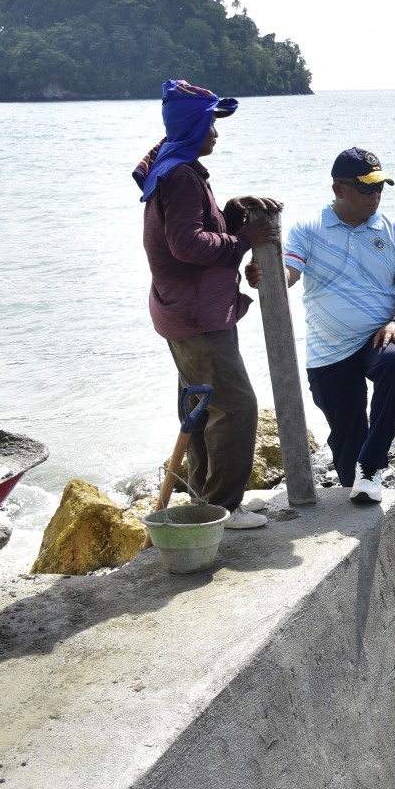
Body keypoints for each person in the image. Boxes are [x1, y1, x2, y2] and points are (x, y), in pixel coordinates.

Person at [136, 80, 279, 529]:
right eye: (210, 124)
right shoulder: (180, 176)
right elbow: (187, 244)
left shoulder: (176, 169)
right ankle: (224, 507)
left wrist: (234, 210)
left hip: (181, 312)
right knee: (235, 407)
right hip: (198, 318)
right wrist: (243, 240)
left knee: (200, 409)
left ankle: (206, 500)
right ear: (194, 126)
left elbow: (195, 228)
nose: (216, 133)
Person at [255, 148, 395, 503]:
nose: (374, 196)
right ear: (339, 189)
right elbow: (289, 274)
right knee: (348, 443)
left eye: (379, 188)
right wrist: (266, 274)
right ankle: (358, 495)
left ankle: (373, 465)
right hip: (328, 348)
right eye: (365, 189)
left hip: (376, 335)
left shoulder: (393, 232)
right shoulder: (309, 229)